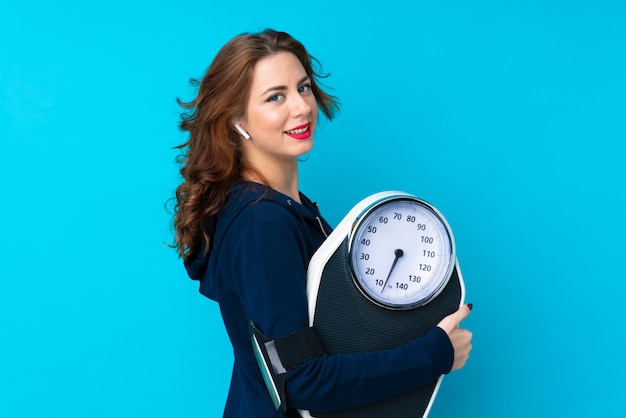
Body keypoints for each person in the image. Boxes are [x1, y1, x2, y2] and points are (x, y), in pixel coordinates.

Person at [172, 28, 473, 417]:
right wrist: (435, 354)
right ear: (236, 120)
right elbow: (301, 382)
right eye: (275, 97)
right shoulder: (261, 224)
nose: (300, 107)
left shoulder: (283, 209)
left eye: (303, 88)